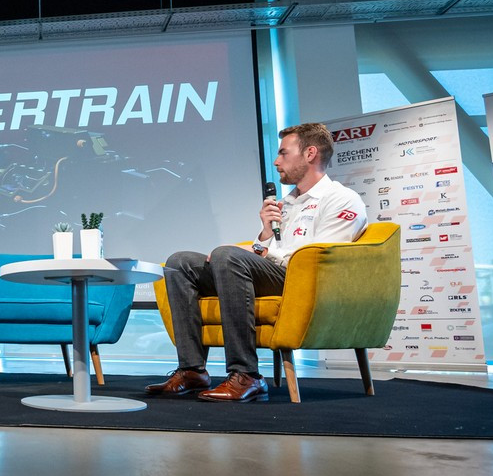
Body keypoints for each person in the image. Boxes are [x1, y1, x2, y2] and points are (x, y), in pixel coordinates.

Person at [148, 122, 366, 402]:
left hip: (303, 282)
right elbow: (265, 251)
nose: (276, 161)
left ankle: (246, 374)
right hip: (276, 273)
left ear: (310, 154)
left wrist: (256, 253)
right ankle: (192, 370)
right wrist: (264, 233)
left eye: (283, 153)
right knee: (180, 262)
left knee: (227, 255)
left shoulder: (341, 199)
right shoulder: (287, 203)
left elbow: (320, 258)